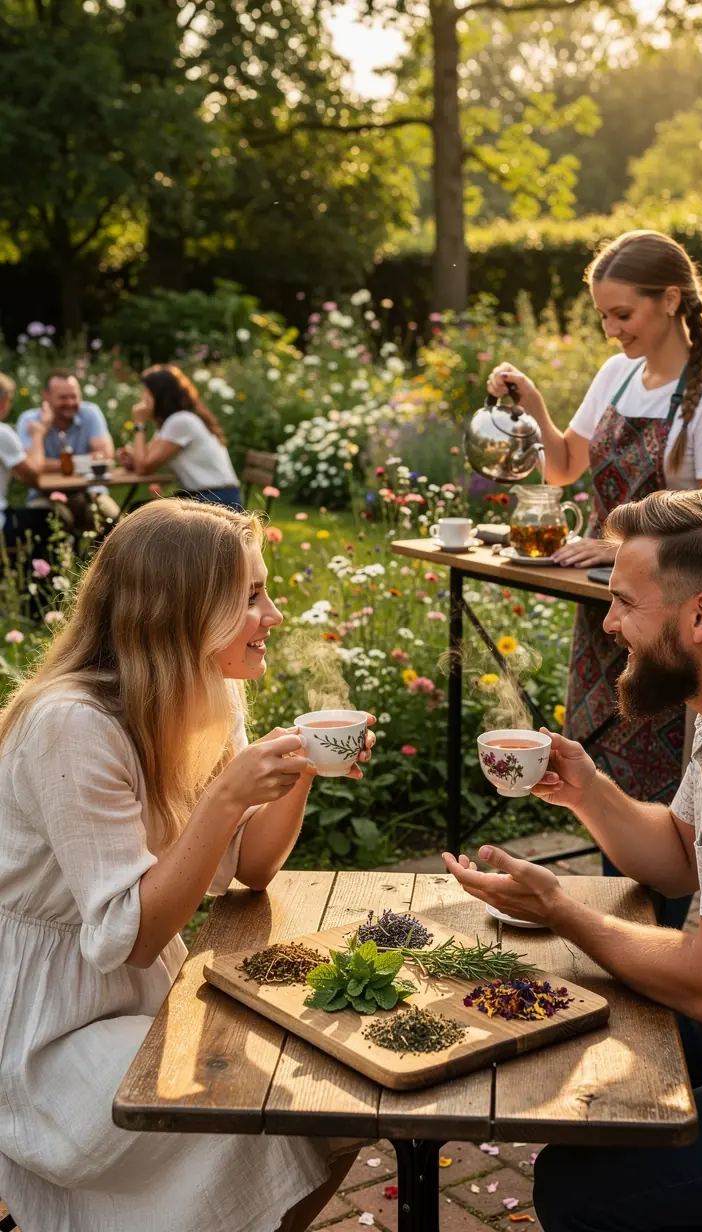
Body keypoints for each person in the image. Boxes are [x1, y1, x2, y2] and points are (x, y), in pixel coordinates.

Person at [443, 488, 702, 1232]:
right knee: (619, 1039)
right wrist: (589, 791)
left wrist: (561, 910)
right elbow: (681, 858)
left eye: (623, 603)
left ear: (700, 616)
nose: (610, 626)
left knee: (582, 1189)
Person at [0, 498, 376, 1232]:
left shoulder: (209, 692)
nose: (272, 614)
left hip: (133, 992)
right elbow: (128, 934)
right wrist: (224, 800)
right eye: (252, 598)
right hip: (42, 1024)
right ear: (184, 613)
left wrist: (297, 772)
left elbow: (252, 869)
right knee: (256, 1110)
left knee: (331, 1100)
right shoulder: (71, 724)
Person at [487, 230, 702, 923]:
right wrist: (536, 408)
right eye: (603, 316)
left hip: (671, 628)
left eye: (623, 314)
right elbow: (564, 466)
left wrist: (619, 548)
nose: (612, 329)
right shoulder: (617, 374)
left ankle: (674, 946)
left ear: (671, 300)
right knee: (600, 782)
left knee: (667, 800)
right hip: (609, 613)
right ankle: (624, 939)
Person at [118, 365, 242, 510]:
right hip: (204, 496)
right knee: (140, 509)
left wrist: (139, 424)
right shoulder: (173, 423)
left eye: (145, 392)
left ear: (158, 396)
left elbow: (143, 467)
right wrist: (133, 459)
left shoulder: (180, 421)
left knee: (140, 511)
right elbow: (146, 462)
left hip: (218, 500)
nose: (141, 397)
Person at [17, 369, 119, 533]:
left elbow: (105, 456)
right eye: (63, 398)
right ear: (46, 397)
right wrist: (41, 432)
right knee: (51, 524)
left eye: (74, 396)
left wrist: (61, 464)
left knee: (115, 521)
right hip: (45, 496)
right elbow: (31, 466)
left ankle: (98, 558)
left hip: (90, 492)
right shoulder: (30, 420)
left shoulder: (90, 413)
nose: (70, 402)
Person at [0, 371, 50, 548]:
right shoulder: (2, 432)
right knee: (48, 522)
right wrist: (38, 435)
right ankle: (43, 574)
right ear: (3, 403)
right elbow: (34, 474)